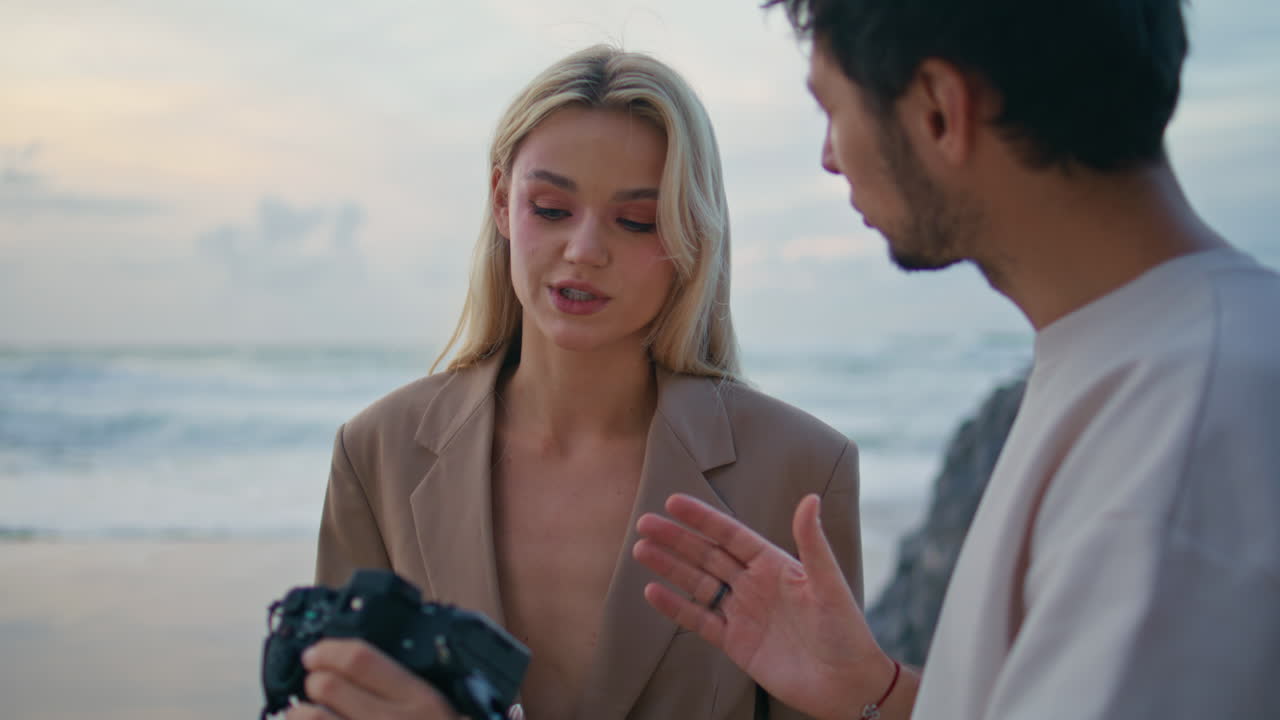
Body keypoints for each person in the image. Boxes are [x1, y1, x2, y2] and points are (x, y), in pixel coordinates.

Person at [633, 1, 1280, 718]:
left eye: (831, 107)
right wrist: (877, 691)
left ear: (940, 110)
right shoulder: (1145, 363)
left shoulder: (1182, 438)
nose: (828, 155)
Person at [287, 45, 865, 720]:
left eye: (636, 221)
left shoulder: (800, 470)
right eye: (552, 208)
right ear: (503, 203)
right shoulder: (377, 453)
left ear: (690, 236)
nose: (585, 250)